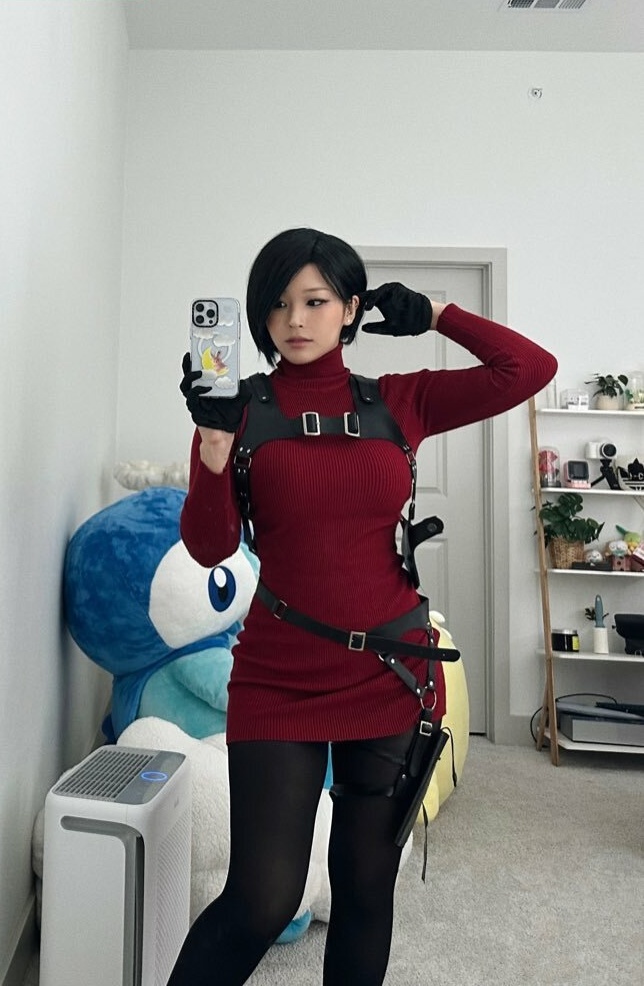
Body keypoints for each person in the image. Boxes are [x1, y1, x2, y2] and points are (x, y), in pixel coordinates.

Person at [169, 227, 557, 986]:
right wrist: (212, 453)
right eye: (278, 304)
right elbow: (211, 548)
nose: (296, 320)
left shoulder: (401, 400)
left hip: (391, 676)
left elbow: (530, 368)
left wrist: (438, 313)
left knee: (365, 890)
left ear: (351, 309)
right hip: (278, 676)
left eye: (316, 301)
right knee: (260, 898)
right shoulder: (233, 412)